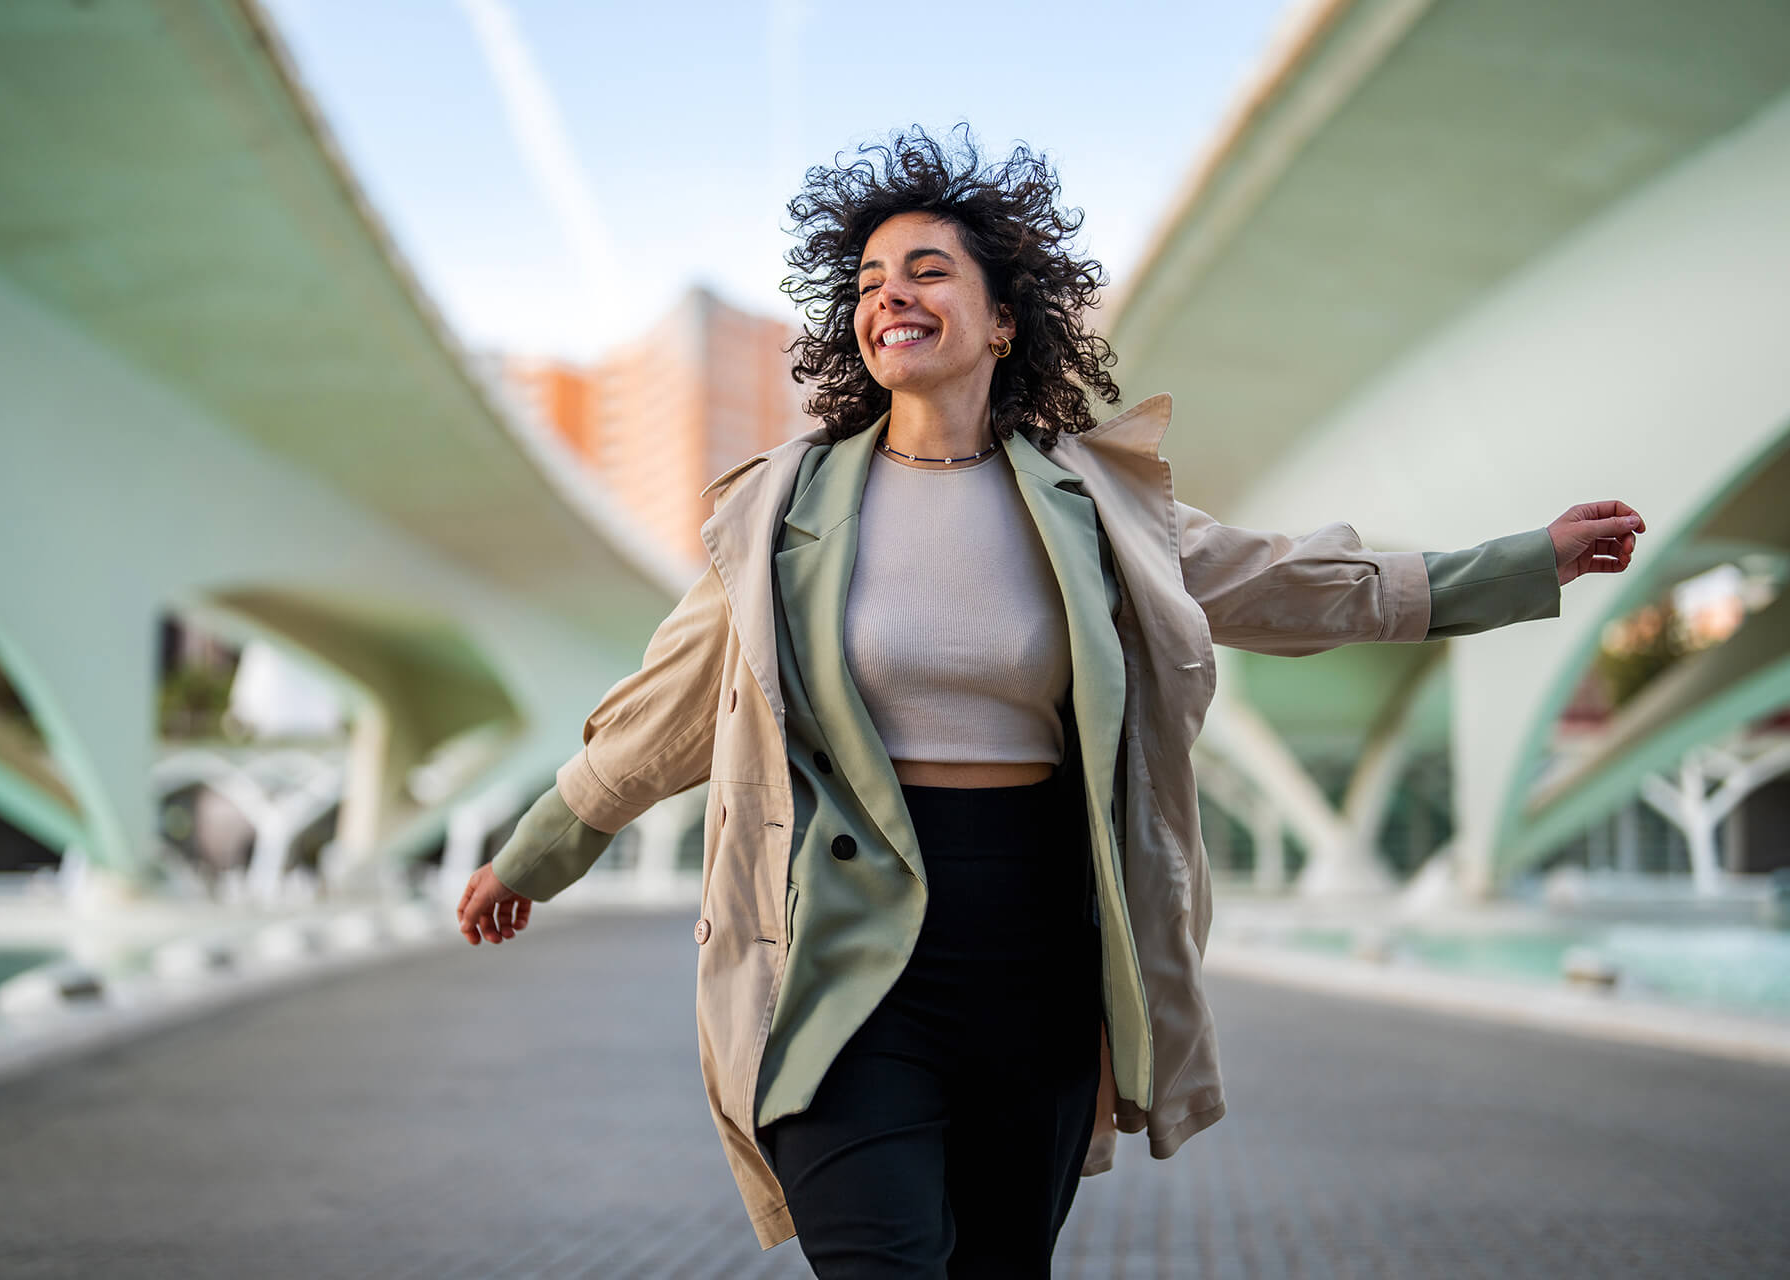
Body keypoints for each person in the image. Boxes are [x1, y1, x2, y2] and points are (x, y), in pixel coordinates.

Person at [456, 125, 1644, 1276]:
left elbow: (1287, 580)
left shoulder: (1093, 505)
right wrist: (533, 853)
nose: (892, 295)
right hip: (837, 952)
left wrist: (1519, 563)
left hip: (1035, 945)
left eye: (928, 270)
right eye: (870, 280)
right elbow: (663, 708)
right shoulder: (782, 514)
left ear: (1003, 317)